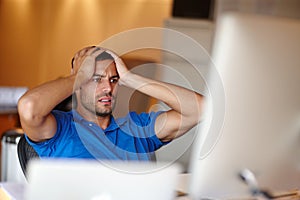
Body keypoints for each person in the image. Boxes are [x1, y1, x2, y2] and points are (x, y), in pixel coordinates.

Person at [18, 46, 203, 161]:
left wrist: (132, 79)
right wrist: (78, 76)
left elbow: (202, 109)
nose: (108, 87)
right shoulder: (60, 129)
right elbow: (28, 108)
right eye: (96, 79)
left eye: (114, 80)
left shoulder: (138, 128)